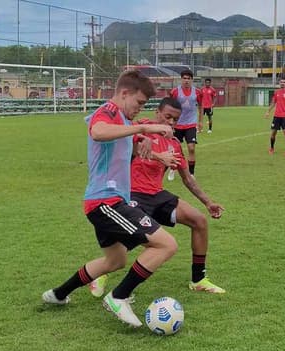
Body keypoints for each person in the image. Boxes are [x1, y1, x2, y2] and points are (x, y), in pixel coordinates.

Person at [42, 70, 177, 328]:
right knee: (166, 245)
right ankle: (119, 296)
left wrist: (143, 142)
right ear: (124, 94)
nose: (140, 109)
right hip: (106, 203)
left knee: (115, 260)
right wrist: (144, 127)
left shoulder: (124, 122)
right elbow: (99, 131)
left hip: (107, 203)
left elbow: (125, 144)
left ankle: (58, 294)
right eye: (138, 103)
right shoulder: (108, 111)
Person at [89, 98, 227, 295]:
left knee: (199, 221)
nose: (171, 122)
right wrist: (151, 147)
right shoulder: (141, 127)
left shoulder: (174, 144)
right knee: (136, 238)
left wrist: (208, 202)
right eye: (167, 116)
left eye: (175, 119)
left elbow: (187, 178)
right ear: (157, 113)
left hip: (157, 194)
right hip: (132, 193)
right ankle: (100, 274)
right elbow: (123, 138)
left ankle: (199, 279)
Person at [169, 68, 202, 177]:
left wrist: (200, 121)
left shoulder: (197, 92)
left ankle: (191, 174)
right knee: (174, 148)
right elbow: (170, 106)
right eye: (184, 78)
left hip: (191, 123)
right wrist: (170, 122)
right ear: (181, 79)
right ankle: (173, 168)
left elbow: (201, 106)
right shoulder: (175, 92)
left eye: (188, 78)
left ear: (192, 80)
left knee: (191, 148)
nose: (186, 81)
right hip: (177, 124)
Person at [264, 77, 285, 157]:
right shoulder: (276, 92)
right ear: (279, 83)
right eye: (281, 82)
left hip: (284, 116)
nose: (282, 83)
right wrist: (268, 111)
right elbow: (273, 103)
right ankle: (271, 148)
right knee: (273, 133)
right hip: (276, 116)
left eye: (283, 82)